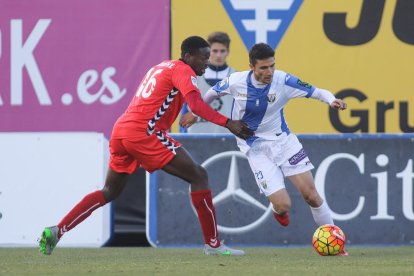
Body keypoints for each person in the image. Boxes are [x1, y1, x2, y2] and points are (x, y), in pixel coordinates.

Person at [38, 36, 253, 256]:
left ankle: (57, 230)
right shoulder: (183, 70)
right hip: (144, 132)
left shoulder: (160, 67)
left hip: (121, 131)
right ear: (188, 57)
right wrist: (228, 123)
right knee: (199, 176)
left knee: (109, 191)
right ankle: (213, 245)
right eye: (203, 58)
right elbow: (196, 105)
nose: (206, 63)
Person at [180, 43, 348, 256]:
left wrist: (332, 100)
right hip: (255, 148)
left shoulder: (284, 80)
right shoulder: (236, 81)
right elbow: (211, 94)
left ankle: (337, 246)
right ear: (252, 66)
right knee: (284, 205)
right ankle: (278, 210)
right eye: (263, 68)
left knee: (311, 195)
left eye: (272, 66)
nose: (269, 72)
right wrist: (195, 114)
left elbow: (317, 91)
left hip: (284, 142)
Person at [180, 32, 235, 133]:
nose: (219, 55)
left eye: (222, 51)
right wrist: (183, 134)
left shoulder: (236, 77)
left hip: (227, 138)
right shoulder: (194, 76)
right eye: (215, 51)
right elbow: (185, 109)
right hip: (196, 137)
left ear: (228, 52)